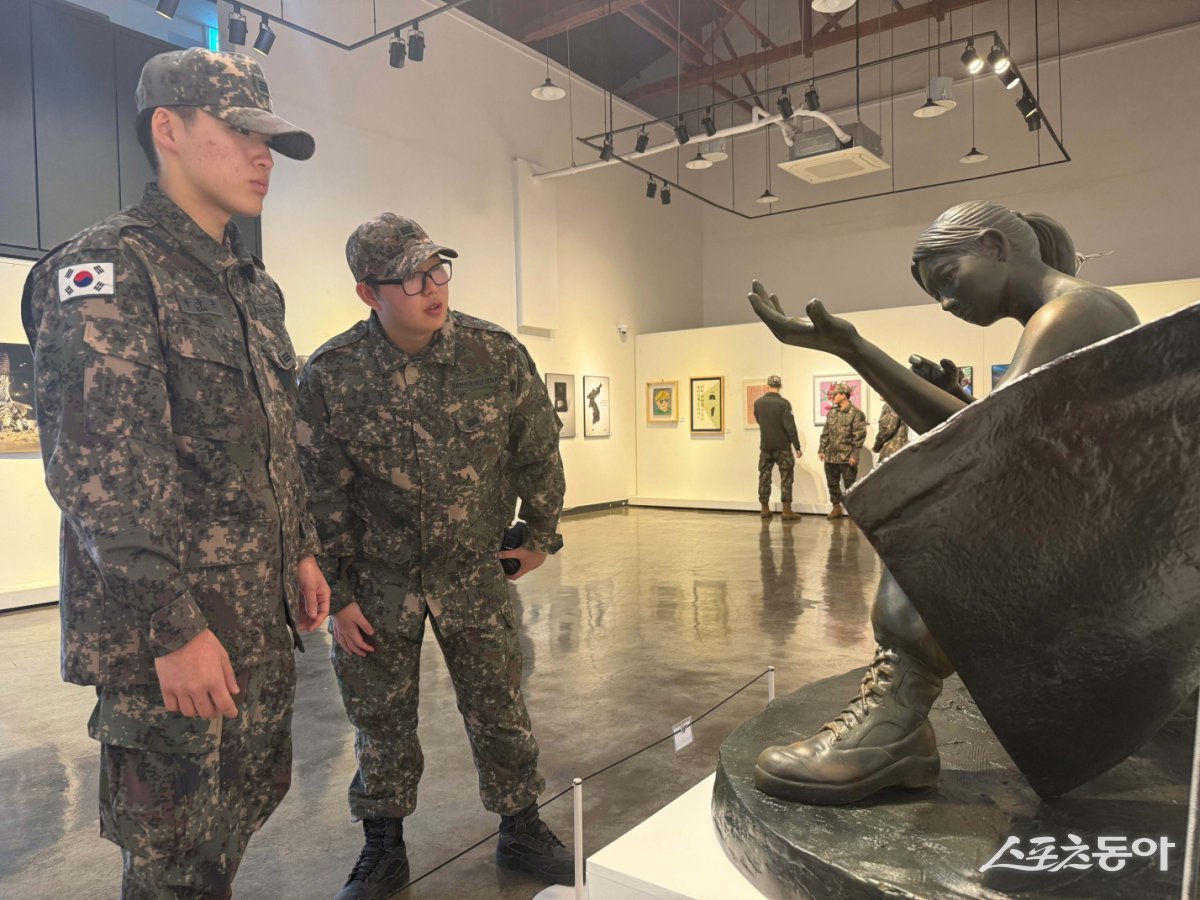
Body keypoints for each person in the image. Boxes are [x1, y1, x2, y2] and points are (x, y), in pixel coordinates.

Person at [20, 48, 330, 897]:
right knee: (172, 870)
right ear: (169, 129)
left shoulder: (250, 290)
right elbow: (101, 477)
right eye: (241, 132)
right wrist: (171, 628)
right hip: (174, 646)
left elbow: (271, 438)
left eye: (270, 139)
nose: (263, 156)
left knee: (227, 839)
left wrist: (300, 548)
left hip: (252, 632)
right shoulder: (107, 272)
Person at [746, 200, 1139, 804]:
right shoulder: (1074, 311)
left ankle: (896, 718)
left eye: (948, 280)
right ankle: (899, 728)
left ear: (994, 246)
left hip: (1097, 551)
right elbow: (988, 433)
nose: (948, 304)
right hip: (1095, 534)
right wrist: (877, 359)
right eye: (938, 297)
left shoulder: (1075, 310)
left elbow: (976, 449)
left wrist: (855, 351)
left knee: (936, 519)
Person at [297, 214, 572, 897]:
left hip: (472, 571)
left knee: (498, 704)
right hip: (378, 581)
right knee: (379, 718)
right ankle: (383, 845)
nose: (432, 287)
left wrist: (538, 532)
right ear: (370, 293)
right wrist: (339, 596)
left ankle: (522, 825)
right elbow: (317, 494)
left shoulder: (494, 355)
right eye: (412, 278)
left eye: (438, 270)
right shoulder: (332, 375)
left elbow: (537, 448)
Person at [752, 375, 803, 520]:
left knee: (764, 476)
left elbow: (759, 420)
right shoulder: (784, 404)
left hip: (766, 446)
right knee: (786, 477)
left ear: (767, 386)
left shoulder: (758, 403)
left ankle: (764, 508)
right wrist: (797, 446)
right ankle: (786, 510)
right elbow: (790, 427)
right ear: (780, 387)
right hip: (783, 447)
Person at [818, 383, 866, 519]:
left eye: (835, 394)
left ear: (843, 396)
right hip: (831, 456)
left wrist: (855, 455)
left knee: (850, 485)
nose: (832, 397)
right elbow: (826, 432)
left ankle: (853, 511)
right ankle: (836, 508)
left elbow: (859, 436)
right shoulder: (832, 412)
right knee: (832, 483)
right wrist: (822, 449)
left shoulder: (856, 413)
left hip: (847, 456)